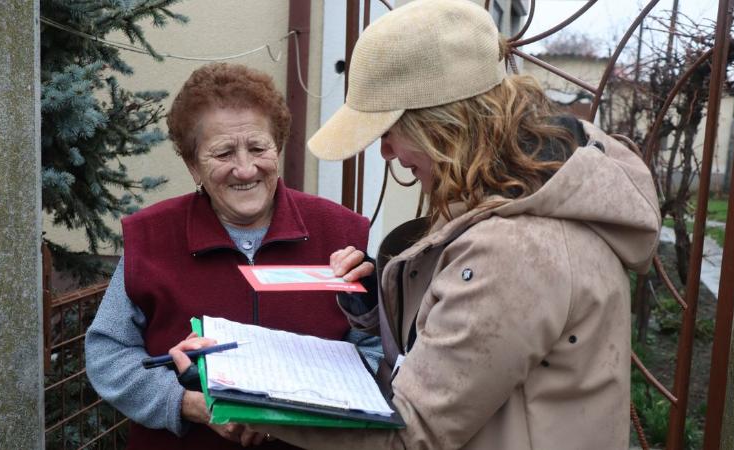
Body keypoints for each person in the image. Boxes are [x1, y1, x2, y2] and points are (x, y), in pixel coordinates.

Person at [170, 1, 661, 448]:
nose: (386, 152)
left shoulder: (513, 248)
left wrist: (248, 397)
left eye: (390, 131)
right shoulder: (514, 197)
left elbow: (408, 436)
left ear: (443, 124)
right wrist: (371, 306)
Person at [85, 63, 373, 450]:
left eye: (258, 147)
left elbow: (376, 352)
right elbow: (109, 354)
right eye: (223, 152)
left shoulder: (339, 233)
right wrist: (185, 403)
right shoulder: (151, 238)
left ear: (278, 147)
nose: (245, 168)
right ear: (192, 165)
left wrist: (297, 412)